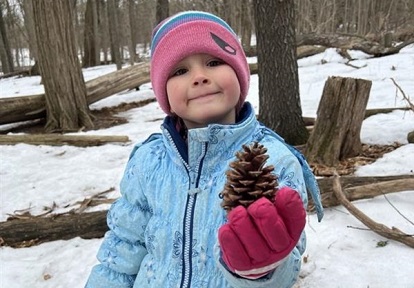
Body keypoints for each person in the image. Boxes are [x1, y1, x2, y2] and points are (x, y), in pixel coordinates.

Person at [85, 10, 323, 288]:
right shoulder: (148, 160)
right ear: (164, 93)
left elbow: (287, 260)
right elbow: (123, 247)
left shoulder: (272, 160)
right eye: (180, 70)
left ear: (239, 73)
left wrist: (262, 271)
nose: (199, 77)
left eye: (213, 62)